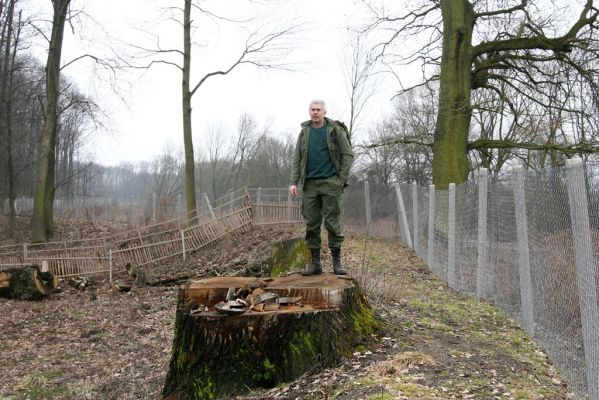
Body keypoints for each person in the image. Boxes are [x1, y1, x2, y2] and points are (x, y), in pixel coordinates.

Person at [289, 100, 354, 276]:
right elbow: (297, 158)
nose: (315, 112)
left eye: (318, 110)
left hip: (330, 183)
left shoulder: (334, 130)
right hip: (310, 184)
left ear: (324, 112)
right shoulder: (304, 133)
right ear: (309, 112)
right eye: (312, 110)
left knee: (333, 223)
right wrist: (294, 182)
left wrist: (340, 180)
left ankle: (337, 264)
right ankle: (315, 264)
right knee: (311, 224)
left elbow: (348, 154)